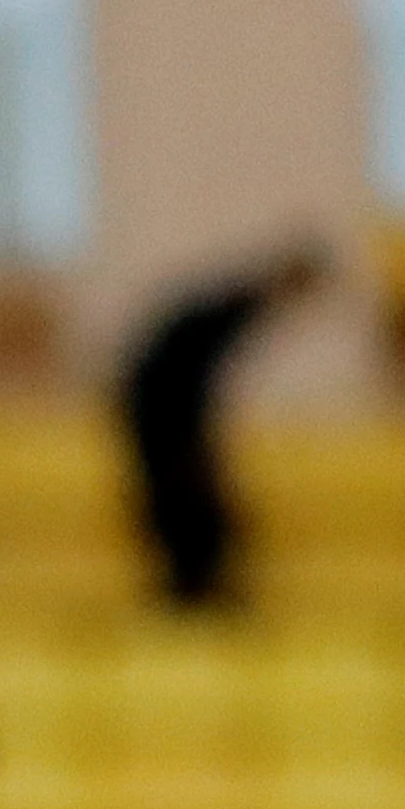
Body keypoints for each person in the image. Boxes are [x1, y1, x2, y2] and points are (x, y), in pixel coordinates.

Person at [119, 238, 333, 609]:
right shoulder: (236, 305)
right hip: (162, 415)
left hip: (164, 413)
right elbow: (184, 373)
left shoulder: (233, 302)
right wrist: (194, 438)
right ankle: (193, 599)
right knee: (188, 512)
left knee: (189, 511)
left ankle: (194, 596)